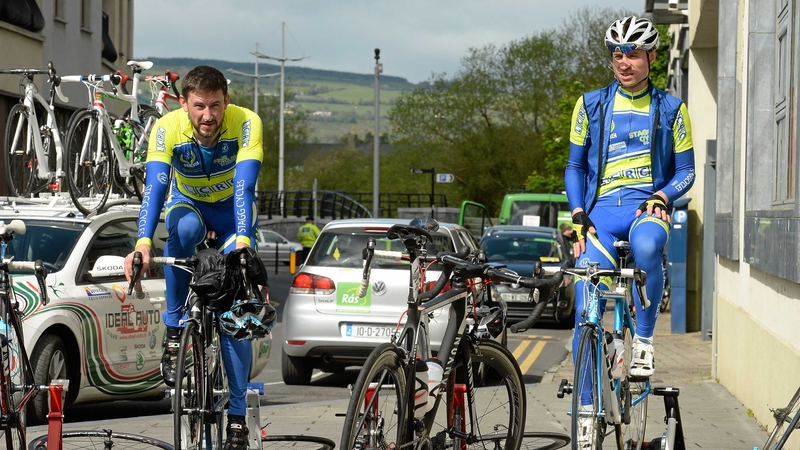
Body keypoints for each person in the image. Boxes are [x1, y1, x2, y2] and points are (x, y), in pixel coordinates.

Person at [124, 65, 263, 450]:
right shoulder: (167, 127)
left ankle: (237, 418)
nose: (208, 115)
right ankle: (174, 330)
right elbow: (155, 188)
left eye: (215, 106)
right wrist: (142, 243)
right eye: (199, 106)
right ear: (184, 103)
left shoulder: (246, 122)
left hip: (233, 211)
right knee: (182, 232)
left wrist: (243, 242)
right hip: (190, 206)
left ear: (226, 101)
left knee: (234, 314)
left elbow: (244, 187)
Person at [566, 14, 694, 389]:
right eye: (617, 54)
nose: (624, 63)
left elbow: (687, 171)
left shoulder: (672, 109)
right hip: (599, 215)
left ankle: (643, 341)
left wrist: (663, 195)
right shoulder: (589, 105)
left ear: (651, 56)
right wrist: (577, 212)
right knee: (585, 308)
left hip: (645, 209)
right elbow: (575, 166)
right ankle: (586, 408)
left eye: (633, 54)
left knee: (648, 247)